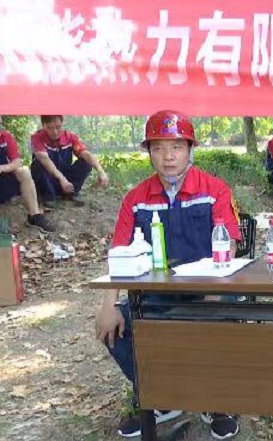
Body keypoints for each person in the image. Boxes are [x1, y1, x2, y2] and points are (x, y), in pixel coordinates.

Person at [94, 110, 242, 440]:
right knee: (114, 325)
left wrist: (214, 291)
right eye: (158, 148)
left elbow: (228, 244)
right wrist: (108, 304)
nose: (168, 156)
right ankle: (160, 395)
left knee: (217, 320)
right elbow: (118, 253)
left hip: (208, 289)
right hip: (156, 294)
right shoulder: (136, 199)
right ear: (149, 152)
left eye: (176, 147)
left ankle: (215, 400)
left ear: (190, 150)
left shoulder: (215, 190)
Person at [30, 115, 109, 208]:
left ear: (62, 124)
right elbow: (44, 159)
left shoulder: (70, 137)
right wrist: (62, 179)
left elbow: (85, 154)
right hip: (48, 178)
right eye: (49, 128)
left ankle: (70, 192)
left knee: (86, 162)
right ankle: (49, 196)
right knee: (37, 163)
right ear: (43, 126)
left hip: (65, 176)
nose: (55, 132)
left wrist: (101, 171)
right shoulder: (37, 138)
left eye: (58, 127)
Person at [0, 127, 56, 232]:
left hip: (4, 182)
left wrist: (2, 168)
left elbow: (17, 162)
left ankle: (34, 216)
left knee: (24, 171)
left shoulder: (6, 137)